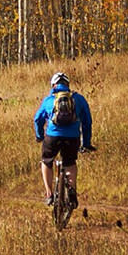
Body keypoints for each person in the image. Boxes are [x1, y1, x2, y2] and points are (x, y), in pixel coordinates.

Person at [33, 71, 95, 207]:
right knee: (70, 163)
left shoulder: (49, 100)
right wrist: (86, 143)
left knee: (46, 161)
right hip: (72, 138)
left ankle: (49, 194)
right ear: (67, 84)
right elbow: (87, 122)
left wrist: (40, 136)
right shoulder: (79, 99)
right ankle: (72, 193)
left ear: (53, 85)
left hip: (52, 137)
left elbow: (37, 119)